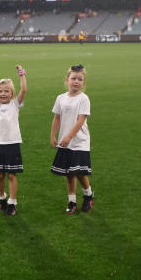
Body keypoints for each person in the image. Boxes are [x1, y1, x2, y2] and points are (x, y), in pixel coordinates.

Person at [50, 64, 93, 214]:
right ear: (67, 79)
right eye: (73, 78)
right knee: (69, 173)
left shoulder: (84, 99)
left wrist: (69, 136)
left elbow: (81, 120)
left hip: (79, 141)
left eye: (80, 79)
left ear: (83, 82)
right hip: (64, 142)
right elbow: (57, 118)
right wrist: (53, 135)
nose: (76, 81)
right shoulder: (60, 98)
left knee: (80, 172)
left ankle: (88, 195)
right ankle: (72, 202)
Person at [0, 65, 27, 216]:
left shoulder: (15, 104)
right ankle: (2, 198)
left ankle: (12, 202)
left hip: (13, 144)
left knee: (11, 175)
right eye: (0, 91)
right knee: (0, 175)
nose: (3, 94)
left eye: (7, 91)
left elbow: (23, 90)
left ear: (12, 93)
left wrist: (22, 75)